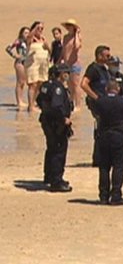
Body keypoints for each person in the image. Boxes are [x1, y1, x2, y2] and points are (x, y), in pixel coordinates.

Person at [95, 81, 123, 205]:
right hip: (119, 137)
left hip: (103, 136)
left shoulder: (100, 101)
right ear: (117, 89)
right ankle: (116, 195)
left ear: (106, 89)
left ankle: (103, 195)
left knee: (104, 167)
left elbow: (97, 116)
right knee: (118, 167)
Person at [36, 64, 73, 192]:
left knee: (51, 148)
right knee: (59, 150)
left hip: (47, 121)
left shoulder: (46, 85)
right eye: (66, 72)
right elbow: (56, 106)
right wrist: (63, 119)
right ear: (60, 73)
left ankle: (49, 176)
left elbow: (39, 101)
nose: (67, 74)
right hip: (56, 123)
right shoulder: (58, 88)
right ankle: (57, 181)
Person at [81, 45, 112, 166]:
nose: (109, 57)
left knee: (107, 129)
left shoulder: (104, 68)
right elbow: (83, 84)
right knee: (101, 129)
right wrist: (96, 97)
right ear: (99, 56)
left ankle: (105, 157)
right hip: (98, 104)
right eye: (107, 55)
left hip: (106, 102)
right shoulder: (93, 68)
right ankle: (98, 159)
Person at [25, 21, 51, 112]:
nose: (40, 30)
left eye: (42, 28)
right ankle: (30, 106)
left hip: (43, 64)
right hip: (33, 64)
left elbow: (50, 51)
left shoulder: (43, 39)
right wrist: (34, 29)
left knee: (40, 84)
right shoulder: (31, 39)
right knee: (33, 84)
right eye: (38, 28)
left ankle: (35, 103)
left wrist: (47, 47)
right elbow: (28, 37)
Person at [59, 19, 83, 110]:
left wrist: (76, 34)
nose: (69, 27)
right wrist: (59, 60)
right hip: (66, 64)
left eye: (70, 26)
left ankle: (78, 105)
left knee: (76, 84)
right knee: (69, 84)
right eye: (67, 26)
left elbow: (77, 46)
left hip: (75, 63)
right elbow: (63, 50)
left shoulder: (77, 37)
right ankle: (72, 102)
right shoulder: (65, 37)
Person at [6, 26, 30, 108]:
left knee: (25, 82)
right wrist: (15, 56)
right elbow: (8, 48)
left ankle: (22, 100)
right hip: (20, 62)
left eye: (28, 33)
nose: (27, 34)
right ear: (22, 33)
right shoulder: (19, 41)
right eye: (25, 33)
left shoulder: (29, 42)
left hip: (26, 63)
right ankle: (19, 101)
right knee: (20, 82)